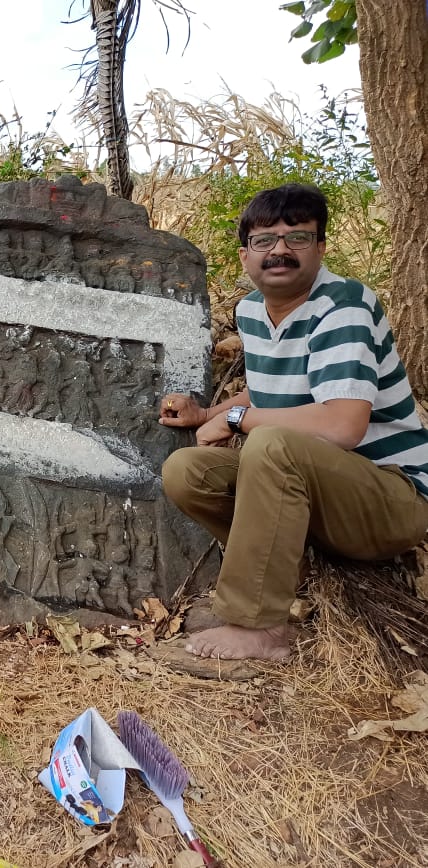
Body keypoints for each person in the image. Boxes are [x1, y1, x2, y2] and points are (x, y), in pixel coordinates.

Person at [159, 183, 428, 662]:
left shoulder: (342, 307)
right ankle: (291, 574)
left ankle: (259, 627)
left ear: (320, 249)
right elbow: (270, 392)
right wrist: (209, 414)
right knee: (188, 470)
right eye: (265, 240)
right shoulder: (250, 311)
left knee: (271, 444)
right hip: (324, 494)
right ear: (245, 256)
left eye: (297, 238)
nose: (279, 250)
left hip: (391, 498)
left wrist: (239, 420)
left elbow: (344, 424)